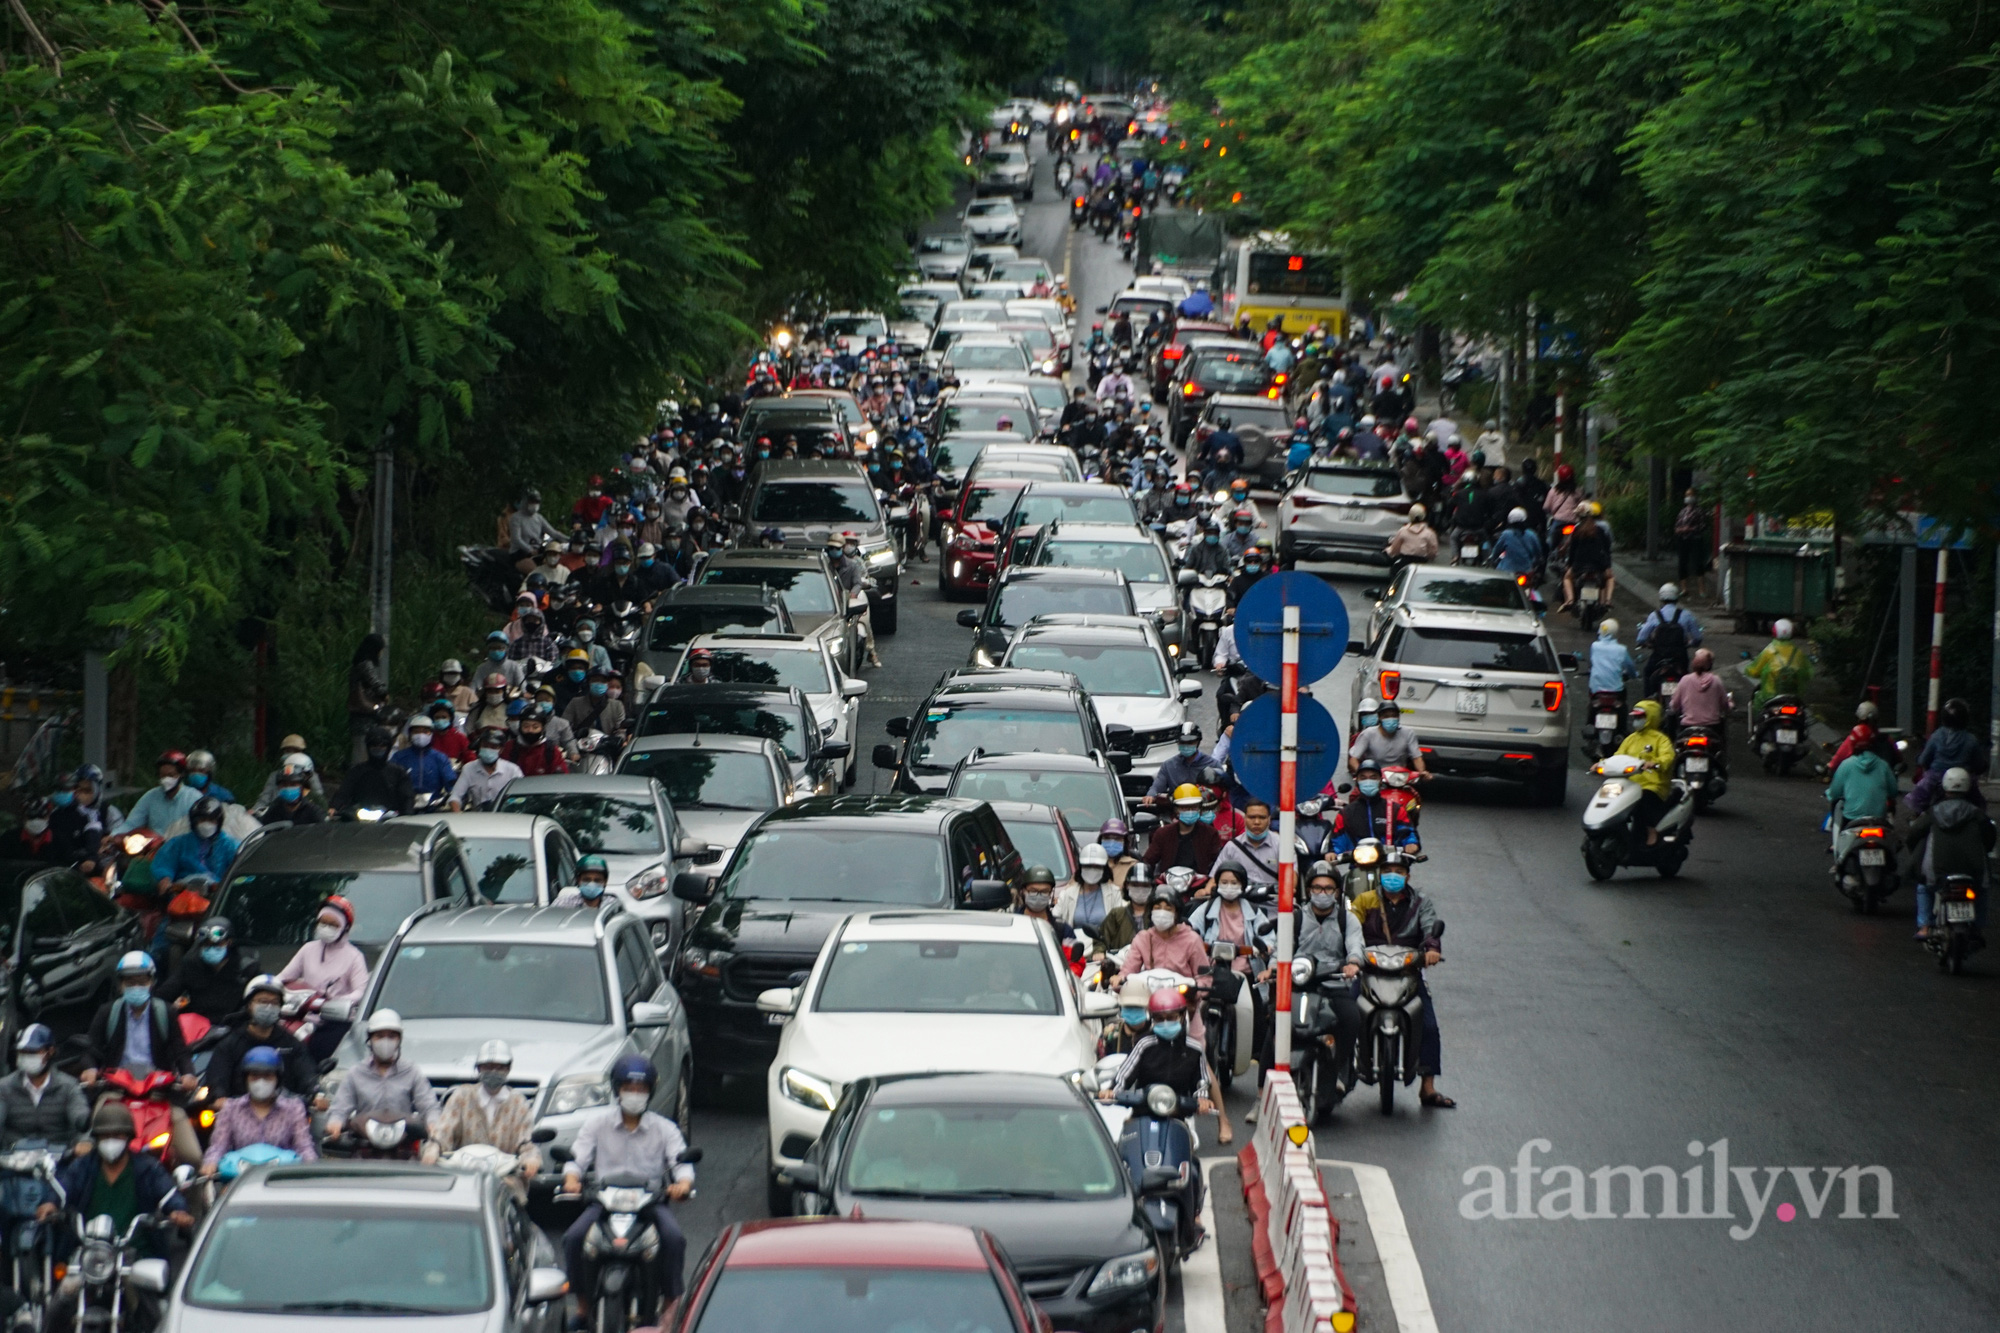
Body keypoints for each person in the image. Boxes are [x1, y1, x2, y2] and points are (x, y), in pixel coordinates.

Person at [561, 1055, 695, 1328]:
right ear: (617, 1089)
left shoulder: (665, 1128)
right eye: (629, 1088)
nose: (635, 1094)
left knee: (674, 1238)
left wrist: (683, 1184)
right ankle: (584, 1306)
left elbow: (682, 1163)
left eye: (641, 1088)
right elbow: (577, 1159)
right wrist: (572, 1178)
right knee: (573, 1238)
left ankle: (671, 1304)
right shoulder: (596, 1124)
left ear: (650, 1091)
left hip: (649, 1205)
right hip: (605, 1203)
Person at [1099, 988, 1216, 1234]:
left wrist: (1202, 1100)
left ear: (1182, 1015)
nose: (1165, 1023)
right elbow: (1124, 1075)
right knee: (1123, 1156)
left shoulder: (1194, 1049)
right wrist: (1112, 1091)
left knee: (1190, 1161)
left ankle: (1193, 1213)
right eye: (1160, 1019)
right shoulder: (1145, 1044)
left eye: (1171, 1017)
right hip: (1142, 1114)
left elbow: (1202, 1082)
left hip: (1179, 1116)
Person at [1348, 849, 1452, 1107]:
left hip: (1408, 972)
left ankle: (1427, 1087)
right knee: (1345, 1017)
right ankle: (1341, 1077)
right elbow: (1350, 928)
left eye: (1398, 872)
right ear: (1379, 874)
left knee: (1428, 1025)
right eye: (1387, 872)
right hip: (1368, 971)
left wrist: (1432, 949)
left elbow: (1430, 927)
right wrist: (1351, 956)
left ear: (1408, 875)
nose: (1392, 876)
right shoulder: (1364, 900)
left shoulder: (1421, 904)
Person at [82, 952, 202, 1164]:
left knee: (193, 1157)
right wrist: (91, 1070)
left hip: (157, 1093)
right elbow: (91, 1050)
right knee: (90, 1152)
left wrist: (188, 1075)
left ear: (152, 982)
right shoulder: (107, 1012)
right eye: (130, 982)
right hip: (116, 1093)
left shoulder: (166, 1012)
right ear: (120, 985)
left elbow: (180, 1050)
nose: (136, 987)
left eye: (141, 981)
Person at [43, 1103, 192, 1268]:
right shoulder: (83, 1166)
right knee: (66, 1289)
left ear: (128, 1137)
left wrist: (178, 1210)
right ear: (97, 1138)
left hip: (136, 1253)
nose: (110, 1141)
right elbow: (64, 1187)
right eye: (105, 1136)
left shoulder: (147, 1167)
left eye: (117, 1136)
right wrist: (50, 1203)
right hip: (88, 1252)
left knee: (146, 1286)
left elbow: (167, 1192)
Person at [422, 1040, 541, 1193]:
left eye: (499, 1067)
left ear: (508, 1068)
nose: (493, 1072)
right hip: (463, 1176)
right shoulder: (461, 1096)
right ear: (478, 1069)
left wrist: (531, 1159)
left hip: (504, 1180)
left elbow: (526, 1142)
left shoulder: (519, 1103)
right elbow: (442, 1132)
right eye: (488, 1067)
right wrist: (433, 1149)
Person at [1294, 860, 1364, 1094]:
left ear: (1336, 892)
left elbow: (1355, 945)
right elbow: (1279, 949)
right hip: (1300, 984)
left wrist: (1353, 963)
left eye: (1328, 889)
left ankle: (1341, 1067)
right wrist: (1272, 967)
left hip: (1334, 982)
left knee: (1351, 1019)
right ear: (1309, 890)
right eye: (1316, 888)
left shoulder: (1347, 919)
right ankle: (1263, 1090)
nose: (1322, 893)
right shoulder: (1295, 918)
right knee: (1275, 1022)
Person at [1905, 768, 1995, 940]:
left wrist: (1915, 853)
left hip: (1937, 870)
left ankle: (1924, 926)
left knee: (1924, 888)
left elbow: (1914, 833)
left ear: (1945, 787)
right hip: (1972, 870)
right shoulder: (1977, 814)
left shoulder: (1933, 813)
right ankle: (1978, 927)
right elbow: (1989, 838)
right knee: (1982, 890)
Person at [276, 897, 369, 1059]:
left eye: (333, 924)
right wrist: (267, 986)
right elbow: (284, 977)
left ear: (345, 928)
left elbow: (361, 992)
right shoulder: (308, 949)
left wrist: (335, 1002)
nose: (326, 927)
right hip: (303, 1016)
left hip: (334, 1021)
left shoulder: (354, 957)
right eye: (323, 922)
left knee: (319, 1051)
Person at [325, 1010, 439, 1140]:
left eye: (391, 1037)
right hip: (365, 1140)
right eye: (379, 1036)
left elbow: (429, 1106)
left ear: (399, 1040)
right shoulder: (356, 1073)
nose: (385, 1042)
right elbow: (340, 1108)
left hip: (403, 1138)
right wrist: (335, 1123)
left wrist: (433, 1124)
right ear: (370, 1040)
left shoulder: (411, 1071)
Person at [201, 1047, 318, 1173]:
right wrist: (211, 1162)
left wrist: (311, 1166)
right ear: (246, 1078)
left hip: (280, 1178)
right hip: (239, 1178)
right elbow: (218, 1145)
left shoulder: (293, 1108)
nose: (261, 1081)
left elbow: (304, 1146)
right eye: (255, 1076)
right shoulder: (231, 1108)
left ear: (277, 1079)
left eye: (267, 1076)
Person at [204, 975, 317, 1099]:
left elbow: (306, 1073)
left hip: (284, 1113)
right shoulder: (230, 1044)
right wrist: (220, 1098)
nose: (268, 1007)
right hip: (239, 1113)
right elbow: (217, 1079)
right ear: (249, 1005)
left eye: (274, 1003)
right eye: (263, 1001)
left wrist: (315, 1093)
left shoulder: (291, 1044)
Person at [0, 1024, 89, 1149]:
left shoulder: (67, 1086)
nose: (26, 1056)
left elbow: (80, 1117)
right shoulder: (4, 1088)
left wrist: (84, 1140)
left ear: (50, 1051)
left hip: (58, 1159)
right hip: (14, 1160)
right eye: (22, 1052)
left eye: (32, 1052)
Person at [158, 917, 255, 1026]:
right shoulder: (191, 965)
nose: (211, 949)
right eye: (206, 945)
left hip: (232, 1030)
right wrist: (172, 1010)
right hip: (197, 1029)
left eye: (216, 944)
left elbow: (260, 1000)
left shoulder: (246, 968)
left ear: (229, 942)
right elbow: (162, 997)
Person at [1909, 697, 1990, 811]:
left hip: (1935, 779)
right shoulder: (1971, 739)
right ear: (1965, 718)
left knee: (1918, 801)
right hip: (1964, 780)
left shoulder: (1936, 736)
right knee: (1980, 807)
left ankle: (1917, 818)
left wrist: (1919, 760)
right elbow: (1979, 765)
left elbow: (1923, 760)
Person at [1614, 700, 1677, 844]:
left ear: (1650, 717)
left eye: (1640, 717)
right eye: (1635, 717)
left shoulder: (1660, 740)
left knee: (1645, 799)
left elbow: (1668, 756)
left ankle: (1652, 830)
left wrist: (1655, 763)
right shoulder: (1630, 739)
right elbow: (1618, 756)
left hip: (1653, 784)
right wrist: (1601, 764)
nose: (1636, 721)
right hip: (1630, 784)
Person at [1330, 762, 1422, 854]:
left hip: (1390, 862)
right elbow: (1337, 839)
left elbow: (1407, 831)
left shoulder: (1395, 809)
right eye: (1363, 778)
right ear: (1357, 781)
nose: (1368, 781)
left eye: (1373, 778)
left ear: (1380, 781)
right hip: (1358, 862)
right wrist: (1332, 852)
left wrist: (1411, 843)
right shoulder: (1346, 813)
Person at [110, 750, 202, 836]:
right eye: (162, 775)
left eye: (170, 775)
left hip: (183, 850)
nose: (166, 779)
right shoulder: (150, 797)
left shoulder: (194, 798)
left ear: (181, 774)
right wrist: (113, 836)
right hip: (154, 850)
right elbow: (131, 823)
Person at [1144, 784, 1225, 875]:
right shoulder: (1163, 833)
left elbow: (1218, 862)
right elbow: (1148, 861)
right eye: (1184, 807)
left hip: (1200, 884)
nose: (1189, 811)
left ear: (1199, 808)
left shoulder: (1210, 833)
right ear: (1176, 809)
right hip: (1168, 884)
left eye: (1193, 807)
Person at [1636, 584, 1703, 693]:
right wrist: (1690, 643)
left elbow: (1641, 639)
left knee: (1648, 673)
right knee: (1685, 677)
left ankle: (1648, 700)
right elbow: (1698, 637)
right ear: (1677, 598)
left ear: (1661, 598)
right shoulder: (1686, 615)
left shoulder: (1654, 615)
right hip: (1680, 656)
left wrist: (1647, 644)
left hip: (1659, 655)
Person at [1742, 617, 1813, 713]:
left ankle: (1755, 727)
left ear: (1774, 632)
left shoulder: (1769, 651)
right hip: (1794, 698)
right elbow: (1808, 673)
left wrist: (1751, 671)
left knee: (1757, 703)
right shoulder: (1798, 652)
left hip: (1770, 697)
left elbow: (1753, 671)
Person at [1056, 843, 1125, 936]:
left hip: (1103, 946)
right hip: (1074, 945)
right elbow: (1056, 918)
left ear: (1104, 869)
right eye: (1088, 866)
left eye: (1097, 867)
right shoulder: (1067, 894)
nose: (1092, 870)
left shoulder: (1114, 893)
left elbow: (1120, 923)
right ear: (1081, 867)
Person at [1212, 799, 1283, 887]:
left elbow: (1291, 880)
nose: (1257, 822)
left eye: (1262, 817)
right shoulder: (1232, 847)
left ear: (1269, 820)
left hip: (1272, 899)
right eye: (1252, 817)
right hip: (1239, 899)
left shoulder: (1281, 845)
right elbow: (1214, 878)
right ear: (1245, 819)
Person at [1348, 701, 1427, 778]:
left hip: (1400, 777)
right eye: (1386, 716)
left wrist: (1422, 772)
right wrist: (1362, 775)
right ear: (1379, 718)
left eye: (1394, 716)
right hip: (1376, 778)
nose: (1390, 719)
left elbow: (1417, 757)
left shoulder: (1408, 733)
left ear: (1398, 717)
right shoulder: (1368, 734)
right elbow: (1354, 759)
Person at [450, 729, 524, 811]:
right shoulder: (469, 768)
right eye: (485, 746)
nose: (488, 749)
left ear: (501, 750)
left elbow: (522, 798)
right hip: (478, 817)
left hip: (505, 816)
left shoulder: (513, 770)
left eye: (493, 747)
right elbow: (455, 796)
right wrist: (458, 813)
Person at [391, 714, 457, 803]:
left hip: (433, 805)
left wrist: (452, 794)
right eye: (416, 731)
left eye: (425, 732)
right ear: (410, 734)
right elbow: (390, 781)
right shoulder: (399, 757)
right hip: (404, 804)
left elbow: (450, 782)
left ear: (432, 734)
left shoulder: (440, 758)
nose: (420, 735)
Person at [1560, 503, 1615, 611]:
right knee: (1610, 578)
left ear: (1579, 516)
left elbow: (1572, 550)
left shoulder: (1576, 530)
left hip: (1579, 565)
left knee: (1567, 578)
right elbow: (1607, 549)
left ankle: (1570, 600)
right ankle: (1608, 600)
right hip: (1598, 564)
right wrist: (1607, 566)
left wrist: (1569, 565)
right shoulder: (1600, 530)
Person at [1145, 723, 1217, 803]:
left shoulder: (1212, 765)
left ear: (1198, 742)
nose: (1186, 746)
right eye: (1183, 742)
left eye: (1190, 742)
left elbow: (1222, 791)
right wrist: (1150, 796)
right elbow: (1157, 786)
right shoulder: (1168, 766)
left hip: (1204, 809)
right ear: (1178, 743)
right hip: (1176, 810)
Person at [1668, 648, 1730, 730]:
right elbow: (1724, 704)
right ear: (1710, 664)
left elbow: (1675, 704)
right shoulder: (1716, 680)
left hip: (1688, 726)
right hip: (1713, 726)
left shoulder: (1685, 680)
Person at [1015, 865, 1073, 944]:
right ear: (1023, 891)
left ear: (1050, 893)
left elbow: (1071, 955)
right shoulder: (1011, 924)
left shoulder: (1062, 929)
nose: (1038, 895)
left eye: (1044, 891)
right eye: (1033, 891)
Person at [1588, 619, 1639, 706]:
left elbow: (1592, 663)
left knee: (1591, 705)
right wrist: (1634, 675)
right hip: (1616, 690)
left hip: (1596, 690)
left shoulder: (1594, 646)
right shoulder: (1622, 649)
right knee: (1623, 706)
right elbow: (1630, 666)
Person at [1101, 975, 1154, 1058]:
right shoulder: (1112, 1036)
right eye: (1129, 1007)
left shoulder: (1154, 1036)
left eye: (1138, 1007)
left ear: (1147, 1008)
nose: (1133, 1011)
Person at [502, 712, 569, 777]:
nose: (530, 730)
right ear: (520, 727)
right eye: (526, 726)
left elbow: (561, 778)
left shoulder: (551, 750)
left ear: (542, 729)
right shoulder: (509, 747)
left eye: (535, 727)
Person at [1673, 489, 1711, 599]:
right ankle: (1684, 589)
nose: (1689, 497)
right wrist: (1680, 530)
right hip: (1682, 539)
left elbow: (1703, 526)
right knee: (1682, 563)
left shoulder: (1699, 511)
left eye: (1691, 495)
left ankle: (1701, 589)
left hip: (1695, 539)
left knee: (1698, 563)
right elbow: (1676, 526)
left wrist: (1690, 528)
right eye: (1687, 495)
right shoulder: (1682, 512)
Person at [1491, 507, 1542, 576]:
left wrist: (1493, 560)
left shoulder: (1506, 534)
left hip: (1507, 571)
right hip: (1526, 571)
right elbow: (1538, 553)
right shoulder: (1531, 534)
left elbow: (1496, 551)